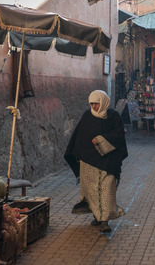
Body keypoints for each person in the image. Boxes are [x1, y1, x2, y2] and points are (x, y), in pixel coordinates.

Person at [64, 90, 128, 233]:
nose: (94, 107)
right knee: (92, 191)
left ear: (103, 102)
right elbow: (79, 136)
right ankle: (97, 216)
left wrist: (101, 140)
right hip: (89, 161)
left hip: (108, 162)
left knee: (106, 191)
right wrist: (78, 156)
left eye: (97, 104)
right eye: (92, 104)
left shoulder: (113, 116)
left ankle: (105, 221)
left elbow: (119, 136)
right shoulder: (87, 116)